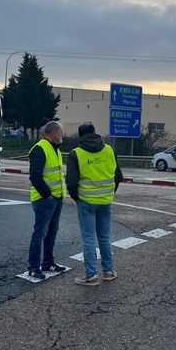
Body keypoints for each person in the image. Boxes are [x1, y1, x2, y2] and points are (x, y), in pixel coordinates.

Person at [66, 122, 124, 285]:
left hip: (86, 202)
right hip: (106, 201)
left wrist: (77, 198)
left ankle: (91, 275)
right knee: (104, 237)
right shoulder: (109, 150)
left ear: (80, 136)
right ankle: (108, 271)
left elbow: (71, 182)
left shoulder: (75, 154)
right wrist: (109, 193)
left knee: (89, 239)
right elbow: (118, 176)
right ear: (95, 132)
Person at [26, 121, 68, 279]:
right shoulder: (40, 149)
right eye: (61, 131)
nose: (62, 134)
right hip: (45, 200)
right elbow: (35, 177)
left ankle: (48, 263)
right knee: (40, 233)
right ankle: (33, 267)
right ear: (53, 132)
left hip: (56, 199)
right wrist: (47, 195)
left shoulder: (54, 148)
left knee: (51, 232)